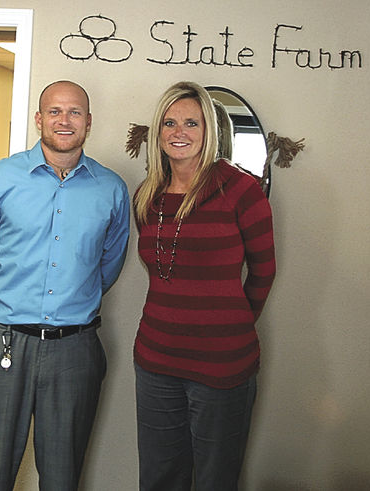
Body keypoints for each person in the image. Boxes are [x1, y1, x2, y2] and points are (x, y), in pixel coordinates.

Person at [0, 80, 130, 490]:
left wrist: (74, 299)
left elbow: (108, 264)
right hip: (4, 342)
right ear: (39, 119)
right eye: (55, 111)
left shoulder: (111, 188)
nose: (64, 120)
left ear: (88, 121)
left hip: (75, 349)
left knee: (62, 475)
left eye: (74, 112)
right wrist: (6, 308)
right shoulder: (1, 178)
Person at [132, 81, 276, 491]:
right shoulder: (147, 196)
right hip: (156, 361)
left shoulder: (242, 190)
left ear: (209, 130)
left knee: (216, 480)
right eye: (169, 122)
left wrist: (230, 324)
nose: (179, 132)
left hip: (222, 365)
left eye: (191, 123)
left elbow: (264, 272)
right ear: (158, 132)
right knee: (159, 478)